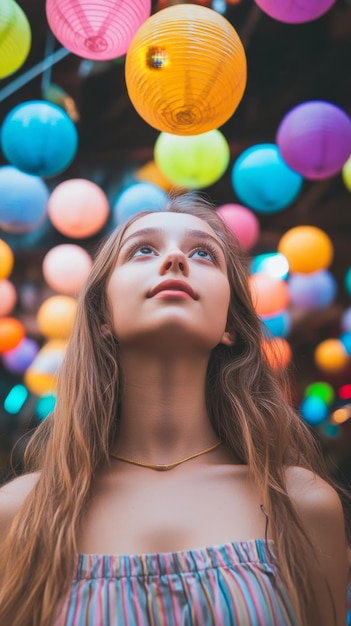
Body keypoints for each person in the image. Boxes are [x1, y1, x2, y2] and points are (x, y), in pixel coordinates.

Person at [0, 192, 348, 626]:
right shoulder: (20, 512)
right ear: (102, 315)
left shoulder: (302, 504)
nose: (175, 261)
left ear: (229, 326)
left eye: (204, 253)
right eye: (143, 250)